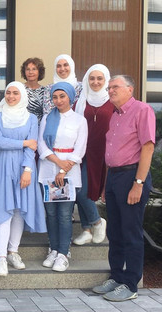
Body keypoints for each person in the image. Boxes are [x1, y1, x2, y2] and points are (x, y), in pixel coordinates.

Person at [92, 75, 155, 302]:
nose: (110, 91)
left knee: (131, 232)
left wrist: (138, 183)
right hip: (115, 177)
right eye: (109, 88)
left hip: (132, 176)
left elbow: (147, 147)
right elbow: (112, 153)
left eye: (114, 87)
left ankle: (131, 284)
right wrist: (106, 185)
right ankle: (117, 277)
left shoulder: (142, 110)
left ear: (130, 89)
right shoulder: (115, 116)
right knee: (114, 232)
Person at [0, 82, 46, 276]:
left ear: (22, 96)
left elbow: (32, 148)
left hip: (23, 167)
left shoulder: (31, 118)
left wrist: (27, 170)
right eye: (8, 93)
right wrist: (25, 142)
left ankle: (13, 251)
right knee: (4, 209)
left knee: (18, 209)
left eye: (15, 93)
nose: (10, 96)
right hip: (1, 166)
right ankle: (1, 257)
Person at [37, 82, 87, 272]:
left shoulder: (79, 120)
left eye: (62, 96)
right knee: (50, 213)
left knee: (65, 214)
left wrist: (64, 170)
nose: (58, 100)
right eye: (55, 97)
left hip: (69, 172)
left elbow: (80, 148)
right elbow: (42, 144)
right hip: (49, 169)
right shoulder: (47, 118)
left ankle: (64, 253)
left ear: (71, 97)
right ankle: (54, 248)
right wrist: (58, 164)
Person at [71, 64, 113, 246]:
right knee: (78, 190)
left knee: (85, 191)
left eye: (100, 78)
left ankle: (91, 224)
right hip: (82, 151)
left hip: (103, 152)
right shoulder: (80, 100)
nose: (95, 82)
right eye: (92, 78)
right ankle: (91, 225)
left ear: (106, 80)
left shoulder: (113, 100)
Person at [20, 57, 48, 123]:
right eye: (28, 69)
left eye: (34, 69)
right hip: (22, 126)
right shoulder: (19, 89)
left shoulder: (45, 91)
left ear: (39, 71)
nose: (30, 72)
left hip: (39, 127)